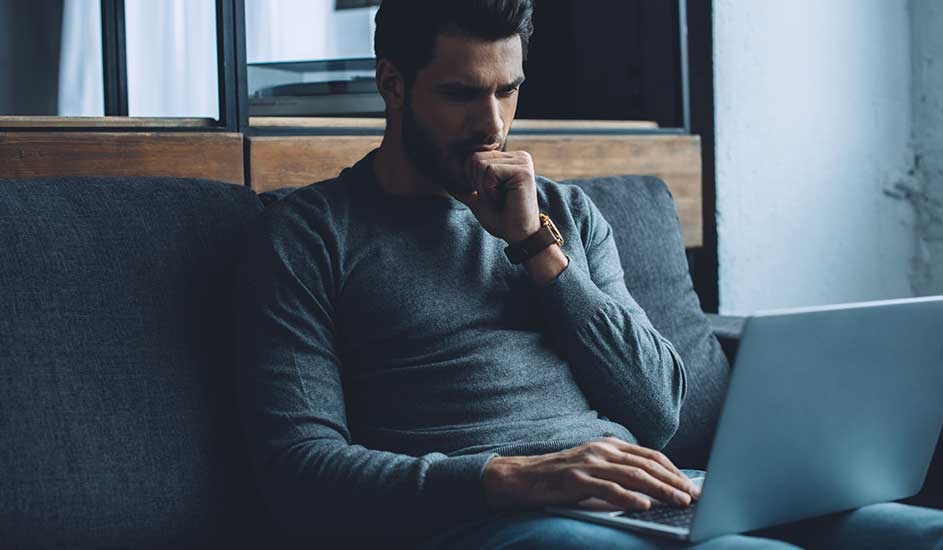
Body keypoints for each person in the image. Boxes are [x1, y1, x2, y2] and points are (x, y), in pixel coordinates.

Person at [233, 1, 943, 548]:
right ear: (393, 84)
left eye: (507, 91)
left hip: (650, 495)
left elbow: (659, 410)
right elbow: (299, 473)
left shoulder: (563, 214)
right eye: (460, 94)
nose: (492, 124)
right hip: (490, 520)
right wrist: (510, 477)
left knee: (914, 532)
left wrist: (537, 250)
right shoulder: (311, 233)